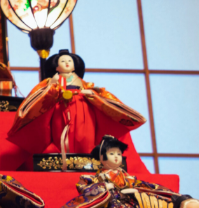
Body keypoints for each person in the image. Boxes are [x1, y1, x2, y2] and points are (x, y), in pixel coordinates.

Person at [8, 49, 146, 155]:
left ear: (75, 66)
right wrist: (53, 88)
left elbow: (99, 93)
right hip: (60, 107)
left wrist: (92, 93)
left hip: (83, 107)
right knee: (61, 133)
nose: (67, 63)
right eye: (62, 61)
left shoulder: (82, 82)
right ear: (56, 67)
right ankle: (63, 156)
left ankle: (86, 155)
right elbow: (40, 95)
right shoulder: (53, 80)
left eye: (70, 61)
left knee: (84, 134)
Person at [46, 136, 177, 208]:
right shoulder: (93, 178)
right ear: (102, 157)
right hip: (109, 207)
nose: (116, 157)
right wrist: (103, 187)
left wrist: (135, 190)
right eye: (112, 153)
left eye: (119, 154)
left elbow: (145, 186)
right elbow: (84, 189)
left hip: (130, 205)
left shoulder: (127, 177)